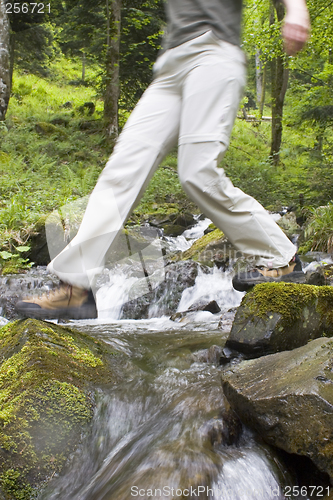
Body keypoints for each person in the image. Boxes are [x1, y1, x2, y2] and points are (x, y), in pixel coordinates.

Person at [16, 0, 310, 320]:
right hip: (171, 65)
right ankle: (75, 286)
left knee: (197, 172)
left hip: (213, 52)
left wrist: (296, 8)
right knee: (122, 170)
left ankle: (282, 258)